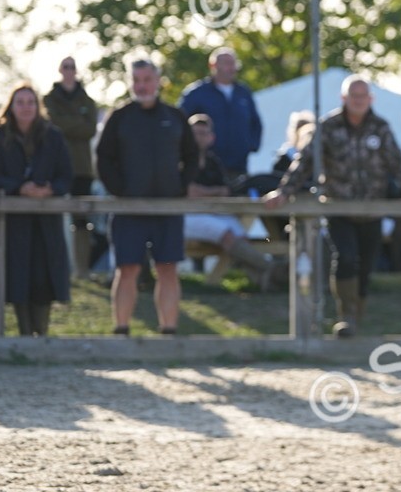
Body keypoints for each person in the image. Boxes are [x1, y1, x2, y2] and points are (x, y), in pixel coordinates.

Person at [264, 74, 401, 337]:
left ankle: (357, 317)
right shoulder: (328, 126)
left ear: (371, 99)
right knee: (346, 258)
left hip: (372, 209)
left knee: (367, 265)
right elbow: (305, 162)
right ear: (344, 98)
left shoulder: (380, 127)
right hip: (338, 208)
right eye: (353, 96)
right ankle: (346, 316)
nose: (358, 101)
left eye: (363, 96)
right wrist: (283, 192)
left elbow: (398, 164)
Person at [96, 59, 197, 336]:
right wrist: (120, 191)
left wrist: (180, 187)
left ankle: (169, 333)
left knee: (168, 269)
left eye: (147, 80)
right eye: (137, 80)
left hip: (167, 208)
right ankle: (121, 330)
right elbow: (103, 158)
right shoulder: (120, 117)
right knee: (127, 269)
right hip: (129, 209)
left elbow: (192, 156)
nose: (142, 86)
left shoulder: (175, 116)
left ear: (158, 81)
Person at [0, 83, 74, 336]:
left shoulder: (53, 136)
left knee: (44, 278)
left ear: (38, 106)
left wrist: (50, 189)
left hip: (46, 224)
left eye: (30, 102)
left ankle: (41, 337)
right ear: (11, 107)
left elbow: (66, 176)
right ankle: (25, 336)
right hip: (15, 224)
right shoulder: (0, 137)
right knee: (19, 278)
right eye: (20, 102)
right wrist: (19, 187)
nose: (26, 107)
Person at [184, 114, 277, 291]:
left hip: (212, 213)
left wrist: (207, 192)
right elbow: (190, 193)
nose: (199, 138)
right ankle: (272, 269)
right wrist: (214, 192)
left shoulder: (213, 162)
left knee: (240, 234)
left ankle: (264, 281)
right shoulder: (179, 160)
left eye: (203, 133)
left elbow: (226, 191)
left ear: (211, 137)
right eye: (195, 133)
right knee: (226, 233)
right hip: (185, 216)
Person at [42, 56, 103, 279]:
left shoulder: (88, 100)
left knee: (81, 219)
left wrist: (64, 121)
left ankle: (81, 270)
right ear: (60, 70)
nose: (69, 71)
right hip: (53, 166)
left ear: (76, 71)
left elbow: (90, 130)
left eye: (72, 67)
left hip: (81, 167)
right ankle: (53, 270)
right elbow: (51, 125)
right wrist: (77, 121)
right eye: (65, 67)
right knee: (50, 217)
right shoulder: (48, 99)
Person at [178, 47, 262, 177]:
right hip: (205, 169)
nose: (231, 68)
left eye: (233, 63)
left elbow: (255, 123)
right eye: (227, 63)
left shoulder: (243, 93)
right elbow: (180, 122)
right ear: (213, 65)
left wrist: (250, 146)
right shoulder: (196, 93)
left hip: (239, 166)